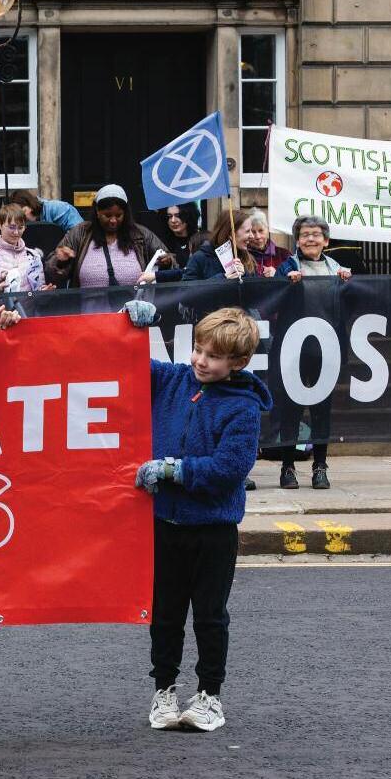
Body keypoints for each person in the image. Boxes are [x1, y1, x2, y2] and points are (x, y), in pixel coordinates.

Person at [134, 305, 270, 734]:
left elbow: (229, 468)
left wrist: (173, 470)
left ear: (238, 362)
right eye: (197, 349)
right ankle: (164, 691)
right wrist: (127, 325)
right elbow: (123, 363)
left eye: (213, 356)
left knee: (210, 617)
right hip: (164, 525)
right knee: (165, 615)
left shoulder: (243, 407)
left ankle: (209, 696)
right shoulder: (174, 379)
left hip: (213, 530)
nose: (200, 360)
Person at [274, 215, 352, 490]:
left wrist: (348, 283)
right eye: (305, 235)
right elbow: (273, 295)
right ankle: (287, 467)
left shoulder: (337, 268)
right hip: (294, 349)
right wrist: (285, 282)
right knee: (290, 409)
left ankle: (320, 466)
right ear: (297, 241)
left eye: (316, 234)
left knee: (322, 409)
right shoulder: (288, 266)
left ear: (325, 241)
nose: (310, 239)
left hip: (326, 350)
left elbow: (350, 304)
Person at [46, 185, 167, 288]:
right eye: (107, 215)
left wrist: (166, 262)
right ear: (97, 211)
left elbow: (169, 262)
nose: (113, 221)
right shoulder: (80, 233)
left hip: (132, 308)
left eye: (118, 215)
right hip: (88, 308)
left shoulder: (140, 234)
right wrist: (60, 261)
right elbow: (52, 273)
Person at [180, 210, 276, 281]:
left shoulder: (247, 258)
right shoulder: (199, 258)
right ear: (230, 234)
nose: (252, 236)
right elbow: (187, 292)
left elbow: (255, 293)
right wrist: (223, 278)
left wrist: (245, 275)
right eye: (248, 231)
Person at [0, 203, 52, 292]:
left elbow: (38, 290)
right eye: (12, 227)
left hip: (28, 301)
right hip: (0, 301)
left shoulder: (33, 255)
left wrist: (43, 292)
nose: (16, 232)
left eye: (20, 228)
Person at [158, 204, 209, 268]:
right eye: (170, 216)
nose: (173, 220)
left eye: (178, 216)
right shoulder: (163, 242)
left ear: (188, 216)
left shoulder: (199, 239)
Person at [9, 188, 84, 232]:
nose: (21, 218)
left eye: (23, 213)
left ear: (30, 205)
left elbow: (80, 233)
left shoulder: (59, 209)